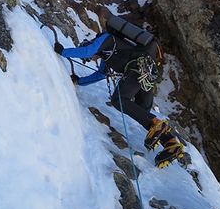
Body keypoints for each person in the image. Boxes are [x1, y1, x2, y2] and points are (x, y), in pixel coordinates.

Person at [54, 31, 184, 167]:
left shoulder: (107, 39)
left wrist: (63, 51)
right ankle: (170, 143)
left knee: (119, 100)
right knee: (142, 112)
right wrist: (79, 80)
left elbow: (87, 51)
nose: (92, 59)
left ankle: (156, 123)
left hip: (136, 69)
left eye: (92, 57)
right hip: (146, 73)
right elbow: (100, 75)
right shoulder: (107, 56)